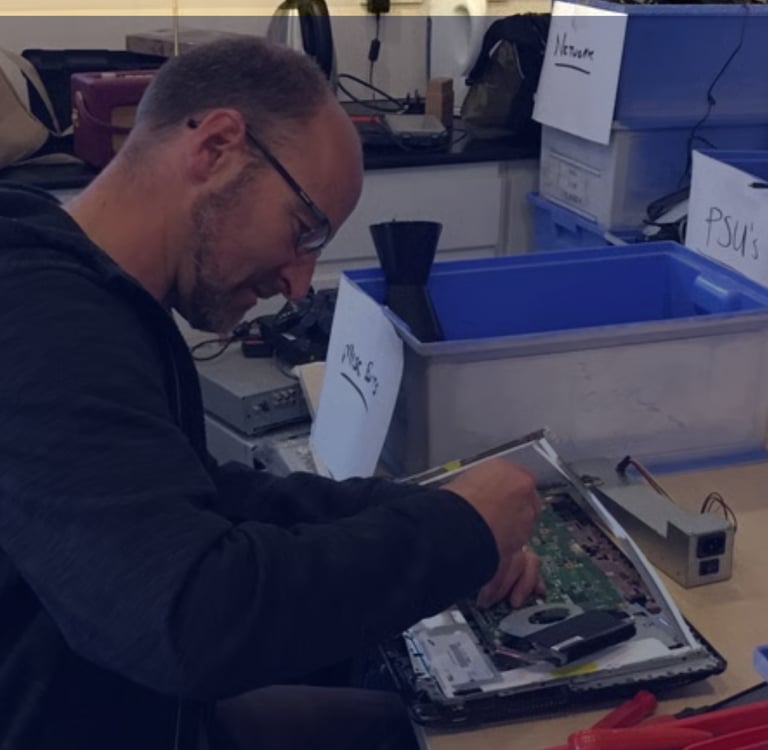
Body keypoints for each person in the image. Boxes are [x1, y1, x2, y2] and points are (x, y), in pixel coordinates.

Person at [0, 37, 543, 750]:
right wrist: (457, 533)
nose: (297, 282)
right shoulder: (42, 320)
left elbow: (197, 495)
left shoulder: (87, 292)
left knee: (390, 723)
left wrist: (434, 508)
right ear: (218, 147)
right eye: (304, 230)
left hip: (134, 706)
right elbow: (189, 620)